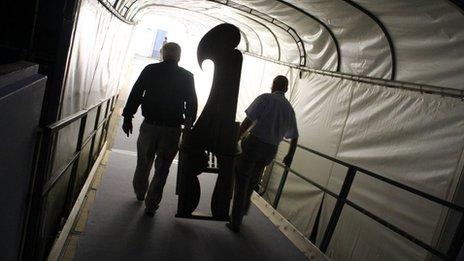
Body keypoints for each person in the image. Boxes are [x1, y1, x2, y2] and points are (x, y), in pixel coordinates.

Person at [122, 42, 197, 216]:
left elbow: (136, 93)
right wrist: (188, 125)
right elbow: (192, 103)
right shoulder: (187, 76)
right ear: (179, 56)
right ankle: (151, 204)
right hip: (172, 129)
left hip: (149, 126)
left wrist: (128, 116)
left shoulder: (150, 70)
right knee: (163, 168)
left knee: (143, 162)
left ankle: (140, 192)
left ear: (163, 54)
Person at [227, 75, 298, 232]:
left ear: (273, 85)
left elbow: (248, 121)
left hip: (254, 144)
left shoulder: (265, 98)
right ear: (286, 89)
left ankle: (235, 221)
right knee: (253, 181)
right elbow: (294, 135)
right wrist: (289, 155)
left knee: (241, 180)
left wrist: (236, 138)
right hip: (270, 150)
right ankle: (244, 208)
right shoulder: (289, 109)